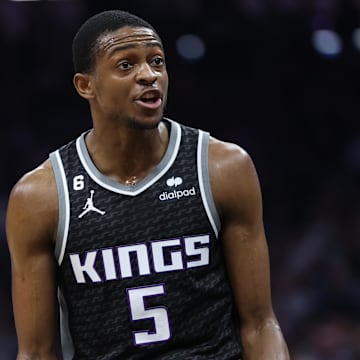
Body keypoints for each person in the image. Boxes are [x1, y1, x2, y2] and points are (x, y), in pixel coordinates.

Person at [6, 9, 290, 360]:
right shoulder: (40, 197)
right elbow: (36, 352)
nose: (149, 75)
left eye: (157, 62)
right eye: (126, 65)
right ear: (86, 85)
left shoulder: (223, 168)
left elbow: (261, 325)